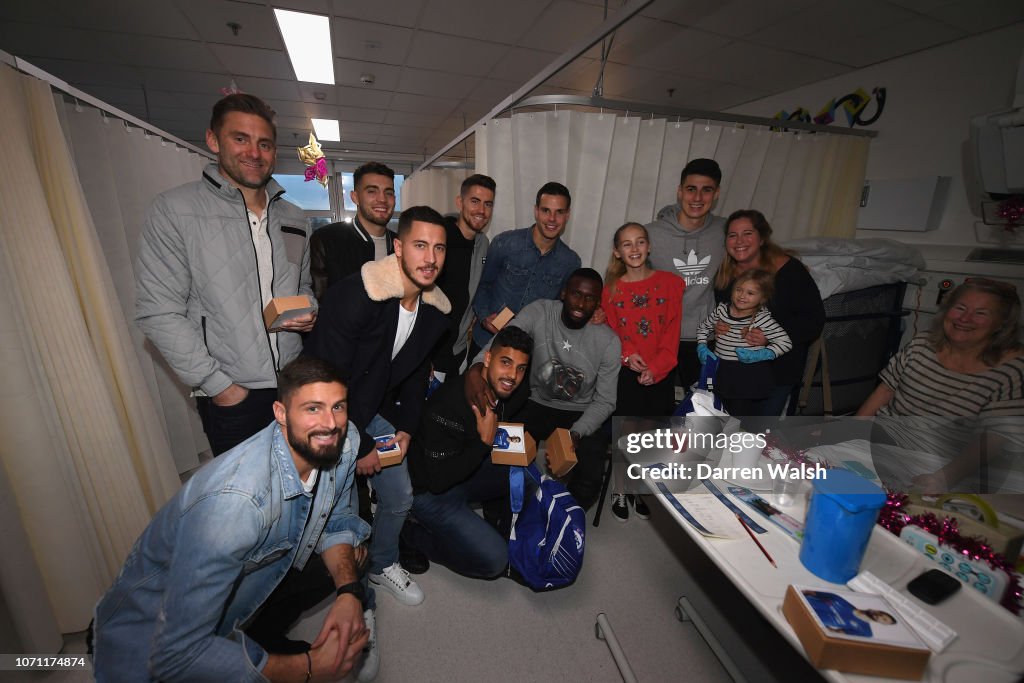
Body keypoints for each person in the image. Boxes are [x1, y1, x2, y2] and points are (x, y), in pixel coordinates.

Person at [92, 356, 374, 682]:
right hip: (152, 641)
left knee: (352, 555)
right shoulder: (236, 504)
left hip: (244, 580)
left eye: (338, 406)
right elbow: (176, 655)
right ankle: (250, 653)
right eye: (313, 408)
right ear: (281, 414)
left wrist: (349, 593)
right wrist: (311, 667)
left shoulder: (345, 439)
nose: (330, 423)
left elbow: (336, 518)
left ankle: (259, 638)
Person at [134, 93, 316, 456]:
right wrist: (219, 386)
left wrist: (308, 310)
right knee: (246, 502)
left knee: (300, 488)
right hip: (233, 392)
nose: (254, 152)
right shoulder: (176, 211)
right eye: (240, 139)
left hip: (294, 383)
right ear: (214, 140)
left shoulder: (295, 217)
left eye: (264, 143)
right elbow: (158, 313)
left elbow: (303, 286)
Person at [304, 205, 451, 607]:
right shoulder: (354, 296)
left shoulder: (436, 311)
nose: (431, 258)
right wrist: (363, 442)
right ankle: (355, 598)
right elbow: (324, 386)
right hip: (327, 414)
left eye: (439, 248)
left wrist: (406, 426)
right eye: (420, 245)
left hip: (374, 407)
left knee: (400, 496)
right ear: (398, 247)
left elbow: (418, 371)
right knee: (344, 517)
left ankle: (383, 562)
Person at [467, 268, 621, 509]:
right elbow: (505, 338)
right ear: (563, 293)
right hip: (536, 401)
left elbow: (606, 401)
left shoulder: (609, 341)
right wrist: (477, 368)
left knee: (591, 475)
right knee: (503, 452)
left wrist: (577, 432)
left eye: (590, 298)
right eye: (576, 294)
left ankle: (563, 517)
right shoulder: (540, 311)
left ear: (598, 303)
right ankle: (501, 515)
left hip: (580, 411)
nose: (581, 303)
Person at [857, 278, 1023, 493]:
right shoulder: (921, 344)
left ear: (1001, 323)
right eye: (960, 308)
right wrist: (851, 431)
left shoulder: (1012, 369)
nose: (965, 318)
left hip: (948, 458)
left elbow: (995, 438)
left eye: (981, 313)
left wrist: (944, 478)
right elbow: (885, 389)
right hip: (887, 435)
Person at [404, 326, 533, 578]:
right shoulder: (446, 408)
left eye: (520, 368)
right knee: (494, 562)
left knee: (526, 474)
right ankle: (410, 534)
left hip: (466, 470)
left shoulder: (513, 391)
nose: (513, 376)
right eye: (505, 363)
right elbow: (437, 482)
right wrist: (483, 444)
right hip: (430, 493)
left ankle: (509, 536)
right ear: (487, 358)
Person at [601, 222, 684, 521]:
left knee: (649, 436)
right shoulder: (610, 290)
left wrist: (658, 368)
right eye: (627, 244)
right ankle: (620, 489)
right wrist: (627, 355)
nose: (634, 249)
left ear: (649, 247)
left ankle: (638, 487)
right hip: (626, 372)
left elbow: (671, 333)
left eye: (640, 242)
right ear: (617, 251)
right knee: (626, 433)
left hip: (659, 371)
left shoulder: (671, 284)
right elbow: (611, 331)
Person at [713, 209, 825, 416]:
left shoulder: (789, 271)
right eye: (732, 235)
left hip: (776, 373)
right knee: (728, 435)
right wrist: (719, 328)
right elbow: (724, 315)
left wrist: (770, 336)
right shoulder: (724, 276)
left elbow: (814, 320)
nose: (739, 241)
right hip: (733, 374)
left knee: (756, 438)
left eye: (747, 233)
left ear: (762, 238)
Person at [470, 181, 581, 358]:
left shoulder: (571, 262)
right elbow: (482, 285)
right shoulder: (504, 243)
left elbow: (561, 309)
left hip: (529, 351)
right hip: (487, 341)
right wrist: (484, 317)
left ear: (567, 215)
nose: (552, 219)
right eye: (546, 210)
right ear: (536, 211)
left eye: (559, 212)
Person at [646, 158, 726, 390]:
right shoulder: (651, 234)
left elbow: (756, 252)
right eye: (691, 189)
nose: (698, 198)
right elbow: (626, 278)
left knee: (700, 412)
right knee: (653, 415)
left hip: (703, 339)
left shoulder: (726, 230)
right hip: (659, 337)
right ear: (680, 192)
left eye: (706, 190)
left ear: (717, 193)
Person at [697, 269, 792, 417]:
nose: (742, 296)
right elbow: (703, 327)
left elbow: (785, 342)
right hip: (720, 372)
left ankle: (737, 439)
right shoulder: (721, 310)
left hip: (746, 377)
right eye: (738, 289)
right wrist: (702, 346)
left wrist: (763, 354)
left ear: (762, 298)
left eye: (750, 293)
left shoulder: (762, 319)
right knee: (716, 412)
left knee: (738, 417)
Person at [431, 174, 496, 379]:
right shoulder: (439, 238)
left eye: (488, 204)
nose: (481, 211)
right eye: (475, 201)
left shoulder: (483, 243)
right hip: (430, 350)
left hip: (457, 350)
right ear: (460, 202)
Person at [309, 161, 397, 301]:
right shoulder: (326, 240)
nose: (382, 199)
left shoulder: (401, 245)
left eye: (389, 193)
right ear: (355, 197)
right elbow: (319, 302)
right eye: (372, 191)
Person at [802, 591, 897, 638]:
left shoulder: (865, 631)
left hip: (804, 622)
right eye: (881, 613)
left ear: (882, 624)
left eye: (883, 619)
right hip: (798, 603)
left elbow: (834, 633)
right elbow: (808, 592)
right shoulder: (840, 600)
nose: (879, 615)